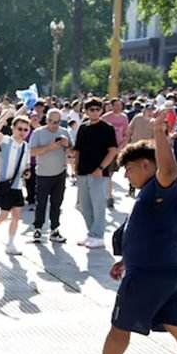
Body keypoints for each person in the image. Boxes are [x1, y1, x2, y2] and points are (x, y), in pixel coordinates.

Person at [70, 111, 177, 354]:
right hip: (171, 269)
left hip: (150, 273)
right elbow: (148, 231)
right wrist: (126, 260)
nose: (127, 175)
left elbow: (169, 170)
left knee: (120, 325)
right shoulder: (155, 194)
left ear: (147, 165)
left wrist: (159, 131)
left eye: (129, 169)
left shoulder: (162, 188)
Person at [72, 98, 119, 249]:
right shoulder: (83, 127)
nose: (94, 112)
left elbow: (113, 151)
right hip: (83, 171)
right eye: (91, 109)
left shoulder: (107, 128)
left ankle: (98, 236)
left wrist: (101, 168)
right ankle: (91, 233)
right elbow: (78, 149)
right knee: (84, 206)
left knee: (98, 205)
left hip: (99, 173)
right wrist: (75, 166)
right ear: (85, 111)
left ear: (101, 110)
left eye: (97, 109)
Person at [0, 110, 32, 255]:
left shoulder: (26, 146)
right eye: (20, 129)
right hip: (5, 183)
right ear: (13, 128)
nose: (22, 132)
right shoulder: (7, 141)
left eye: (25, 129)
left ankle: (10, 244)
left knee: (16, 215)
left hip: (17, 185)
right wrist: (6, 115)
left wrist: (27, 172)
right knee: (4, 214)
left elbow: (27, 165)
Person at [28, 108, 71, 244]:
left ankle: (54, 229)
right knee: (41, 203)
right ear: (46, 120)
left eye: (58, 122)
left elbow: (73, 152)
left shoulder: (64, 132)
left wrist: (67, 145)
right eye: (52, 121)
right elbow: (31, 152)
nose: (54, 125)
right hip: (43, 174)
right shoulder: (38, 133)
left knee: (57, 203)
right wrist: (49, 148)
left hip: (60, 172)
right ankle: (38, 228)